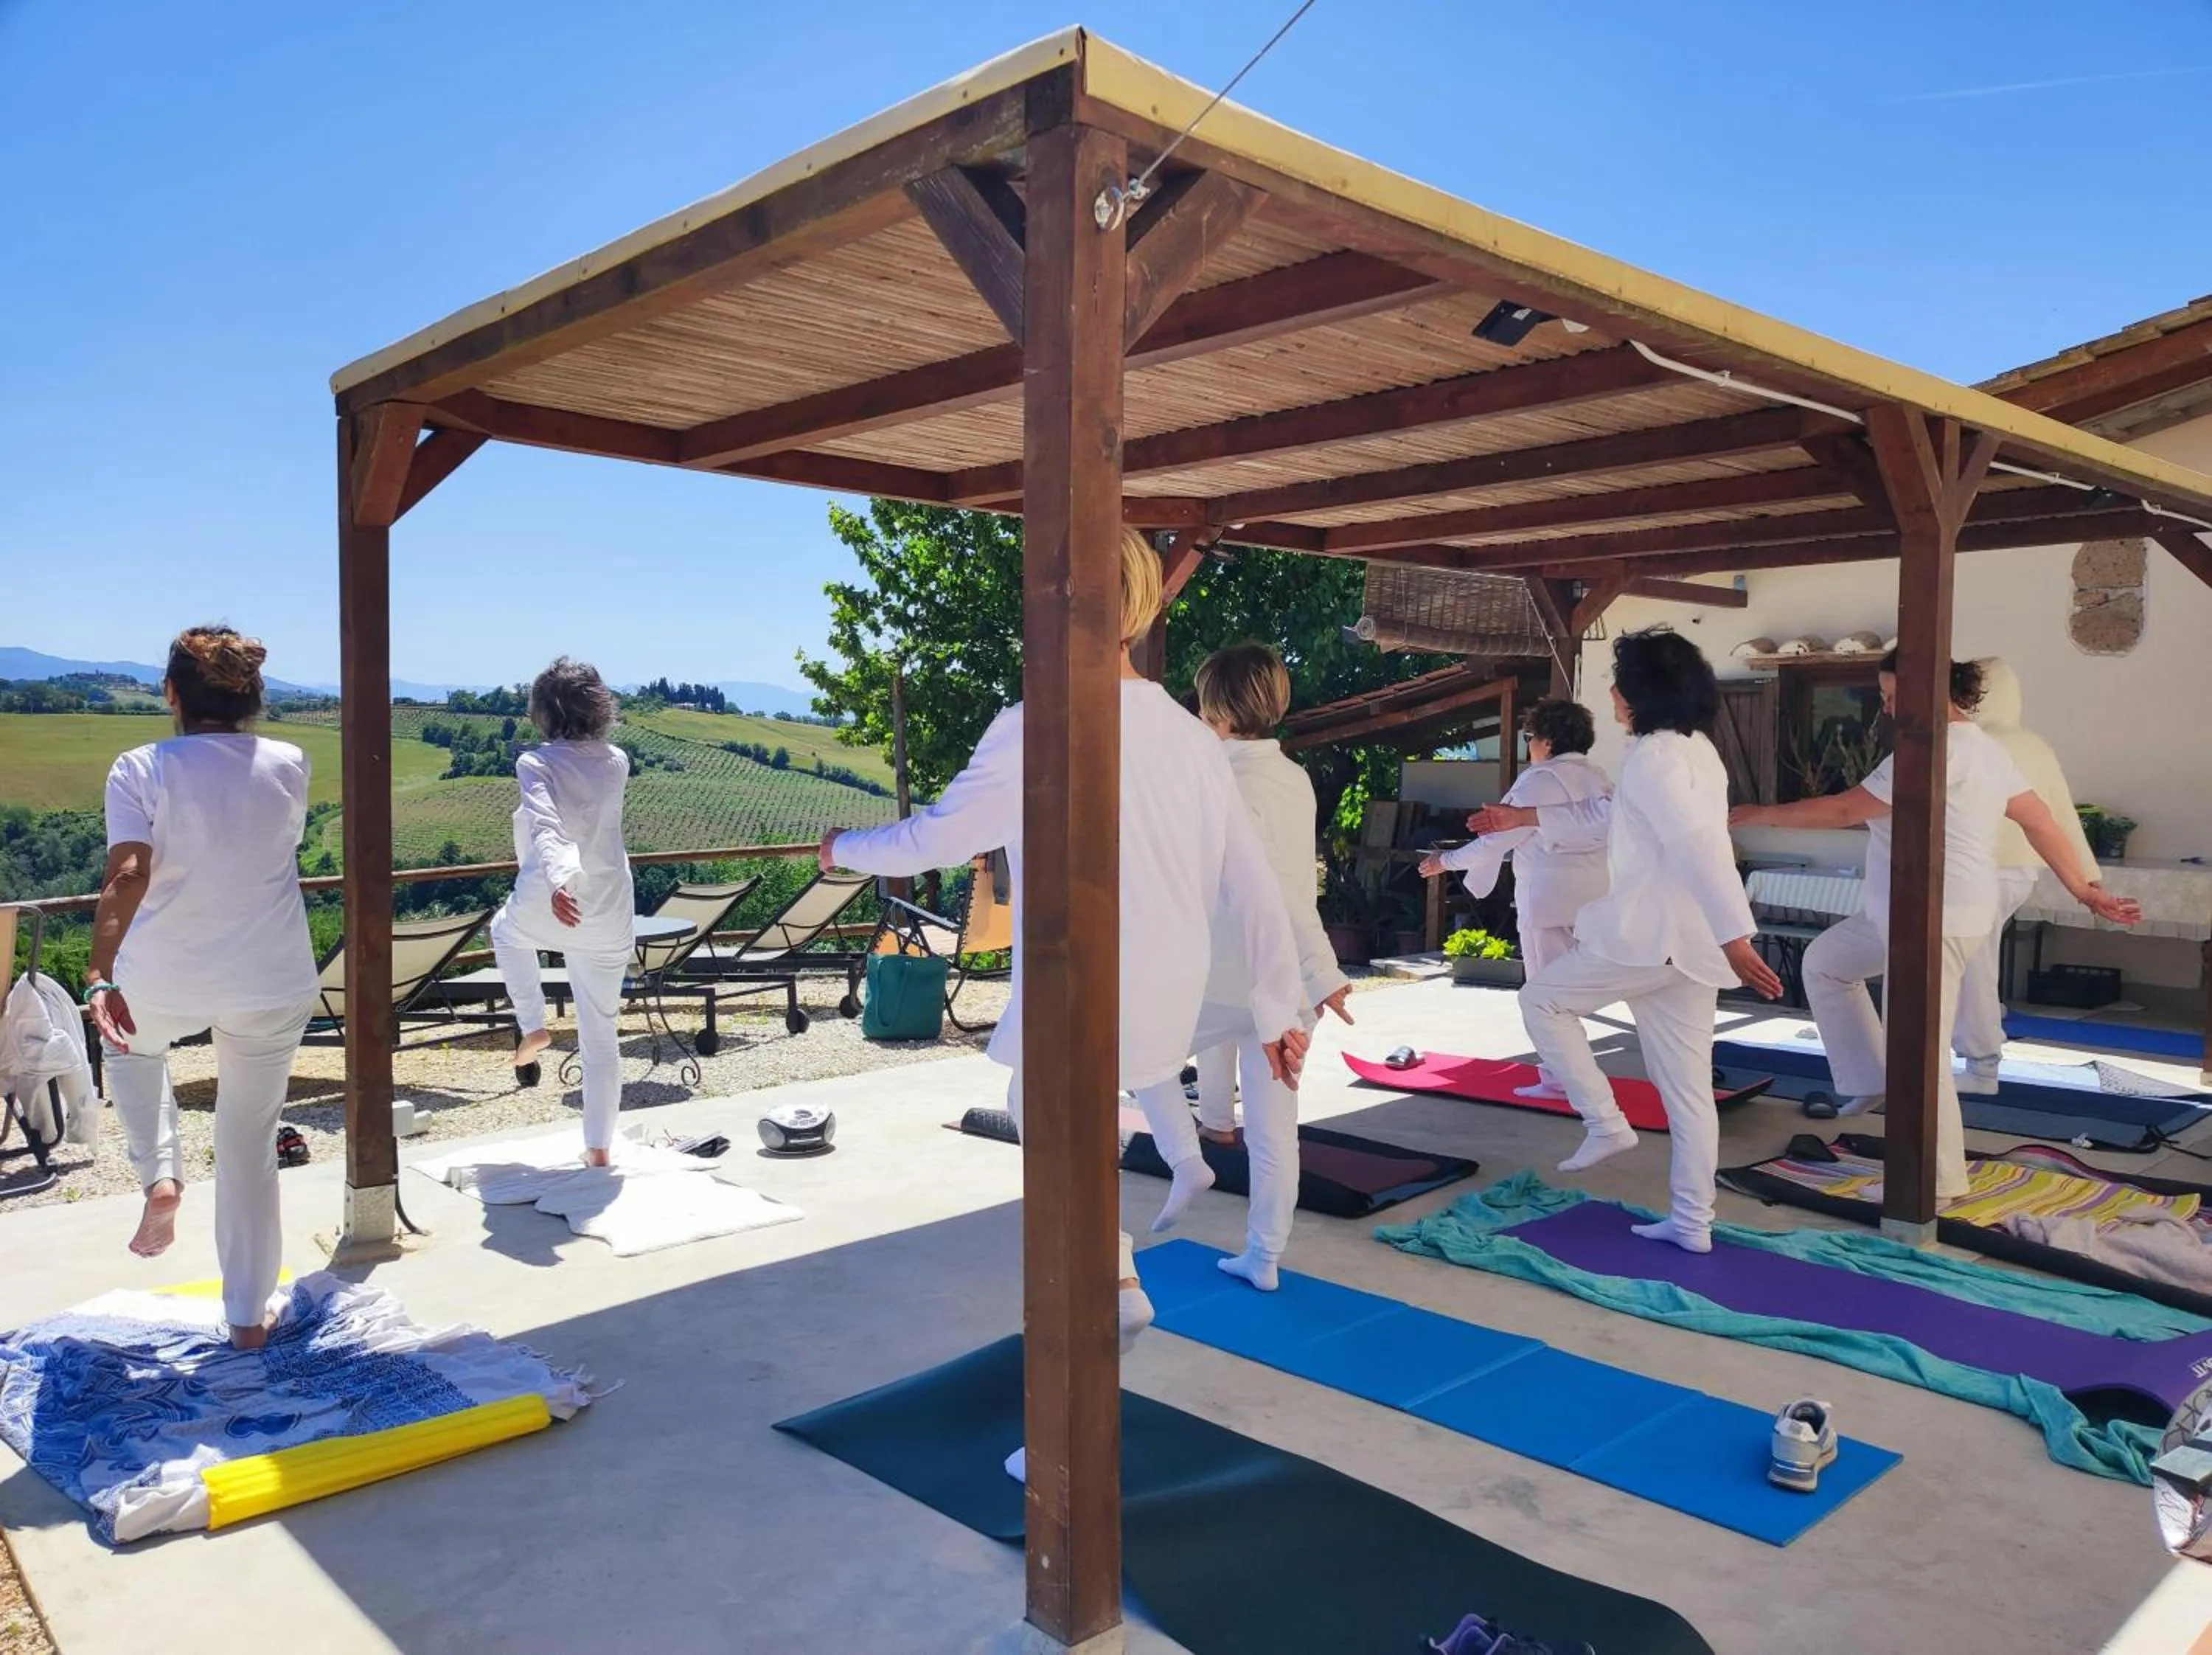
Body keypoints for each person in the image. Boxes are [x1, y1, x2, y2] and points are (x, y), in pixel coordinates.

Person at [818, 531, 1311, 1353]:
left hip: (1084, 977)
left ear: (1055, 602)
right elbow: (1254, 881)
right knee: (1059, 1118)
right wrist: (1276, 1010)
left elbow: (935, 840)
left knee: (1049, 1131)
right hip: (1168, 988)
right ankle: (1112, 1270)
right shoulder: (1192, 737)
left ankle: (1102, 1304)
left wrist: (845, 849)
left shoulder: (1034, 724)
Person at [1731, 651, 2139, 1202]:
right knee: (1826, 963)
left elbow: (1845, 811)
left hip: (1932, 918)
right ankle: (1870, 1079)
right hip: (1909, 914)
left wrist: (1759, 814)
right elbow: (2040, 819)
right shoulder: (1981, 749)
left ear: (1932, 689)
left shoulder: (1934, 750)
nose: (1887, 707)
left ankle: (1932, 1179)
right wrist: (2084, 889)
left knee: (1917, 1052)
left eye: (1893, 695)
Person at [1470, 629, 1784, 1253]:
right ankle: (1692, 1223)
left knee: (1541, 1001)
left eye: (1618, 684)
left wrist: (1737, 936)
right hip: (1685, 946)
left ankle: (1605, 1121)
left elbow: (1697, 847)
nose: (1611, 694)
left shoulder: (1655, 758)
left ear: (1642, 694)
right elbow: (1614, 818)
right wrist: (1525, 818)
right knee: (1688, 1094)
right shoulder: (1695, 750)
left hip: (1649, 938)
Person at [86, 626, 320, 1349]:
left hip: (166, 974)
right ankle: (247, 1318)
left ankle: (161, 1174)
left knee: (129, 1045)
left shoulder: (139, 767)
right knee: (249, 1143)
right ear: (252, 696)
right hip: (271, 976)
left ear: (171, 695)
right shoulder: (291, 762)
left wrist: (99, 974)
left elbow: (130, 873)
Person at [1135, 641, 1352, 1291]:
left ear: (1220, 716)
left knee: (1128, 1053)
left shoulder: (1212, 778)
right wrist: (1320, 973)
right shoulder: (1295, 779)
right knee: (1275, 1133)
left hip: (1223, 978)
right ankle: (1265, 1257)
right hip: (1282, 988)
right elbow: (1295, 892)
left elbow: (1251, 889)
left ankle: (1187, 1156)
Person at [1419, 697, 1613, 1101]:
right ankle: (1570, 1071)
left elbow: (1495, 841)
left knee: (1544, 994)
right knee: (1567, 991)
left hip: (1547, 896)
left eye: (1530, 738)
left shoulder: (1539, 780)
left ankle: (1560, 1078)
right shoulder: (1599, 779)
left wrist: (1445, 861)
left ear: (1547, 741)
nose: (1529, 747)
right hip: (1595, 896)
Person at [490, 659, 634, 1168]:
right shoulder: (617, 761)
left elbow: (547, 826)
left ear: (542, 712)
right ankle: (599, 1148)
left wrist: (560, 880)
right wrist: (568, 877)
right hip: (609, 907)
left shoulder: (536, 763)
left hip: (553, 898)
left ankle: (533, 1024)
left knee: (505, 934)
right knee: (601, 1035)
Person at [1954, 658, 2098, 1095]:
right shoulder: (2035, 744)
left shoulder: (1970, 742)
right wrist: (2086, 877)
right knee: (1973, 962)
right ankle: (1973, 1057)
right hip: (2020, 870)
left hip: (1976, 870)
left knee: (1973, 966)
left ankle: (1982, 1064)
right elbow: (2059, 813)